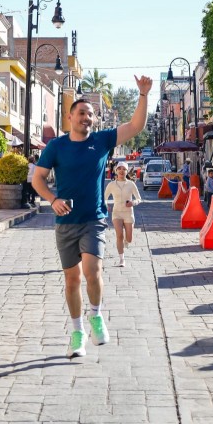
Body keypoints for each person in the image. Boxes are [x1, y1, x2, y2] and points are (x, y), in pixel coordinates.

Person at [32, 74, 152, 359]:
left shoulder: (102, 140)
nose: (86, 117)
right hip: (65, 222)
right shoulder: (56, 146)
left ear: (95, 120)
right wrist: (53, 200)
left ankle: (96, 316)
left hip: (94, 220)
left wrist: (143, 95)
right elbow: (38, 179)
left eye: (90, 114)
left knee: (92, 271)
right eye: (81, 113)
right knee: (72, 279)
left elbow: (136, 126)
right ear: (70, 117)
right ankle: (77, 333)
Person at [103, 160, 142, 267]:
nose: (121, 171)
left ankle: (126, 241)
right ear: (116, 171)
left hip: (128, 213)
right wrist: (106, 204)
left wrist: (133, 203)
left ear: (127, 171)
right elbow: (104, 198)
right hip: (116, 213)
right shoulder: (111, 185)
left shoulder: (131, 184)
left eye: (124, 169)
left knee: (129, 239)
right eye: (119, 169)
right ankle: (121, 259)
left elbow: (139, 199)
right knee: (119, 235)